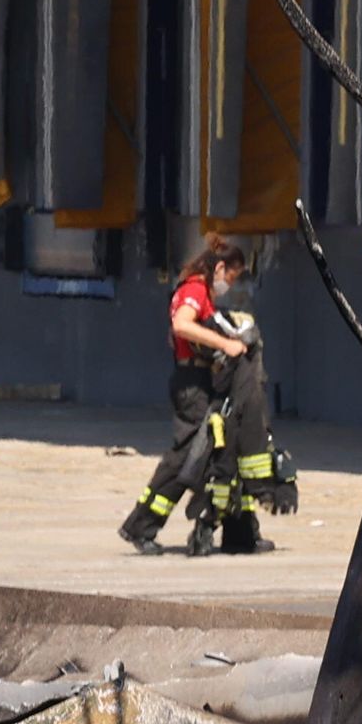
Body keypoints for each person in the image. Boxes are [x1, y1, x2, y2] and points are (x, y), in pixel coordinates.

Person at [121, 232, 268, 556]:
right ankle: (141, 526)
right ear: (219, 268)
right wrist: (226, 344)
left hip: (204, 379)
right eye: (232, 275)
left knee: (227, 450)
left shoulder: (203, 294)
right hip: (192, 385)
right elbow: (182, 325)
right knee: (189, 455)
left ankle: (241, 533)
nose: (231, 283)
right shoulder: (194, 290)